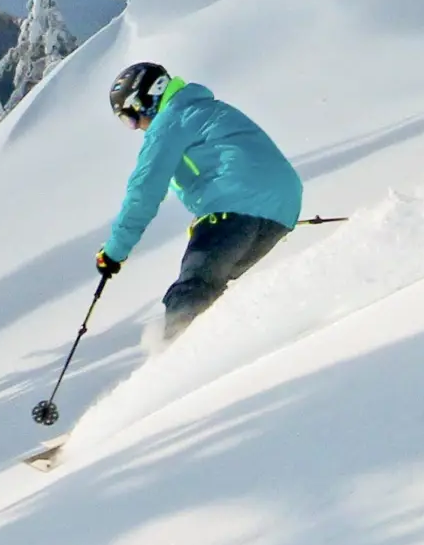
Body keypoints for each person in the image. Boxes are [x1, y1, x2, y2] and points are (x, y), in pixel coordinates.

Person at [97, 61, 303, 341]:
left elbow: (143, 191)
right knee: (213, 294)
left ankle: (176, 360)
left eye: (130, 117)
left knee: (191, 292)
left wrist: (114, 252)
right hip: (282, 212)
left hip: (235, 210)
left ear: (146, 100)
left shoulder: (169, 122)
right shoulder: (207, 109)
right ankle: (228, 351)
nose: (136, 127)